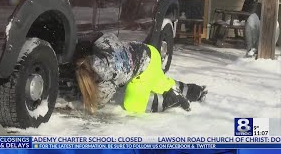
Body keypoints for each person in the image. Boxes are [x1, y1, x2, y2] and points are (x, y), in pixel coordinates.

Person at [75, 34, 207, 114]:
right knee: (160, 82)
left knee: (133, 105)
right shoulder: (101, 46)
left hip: (145, 67)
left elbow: (100, 102)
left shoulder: (110, 78)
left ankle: (170, 100)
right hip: (147, 50)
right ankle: (194, 90)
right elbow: (110, 37)